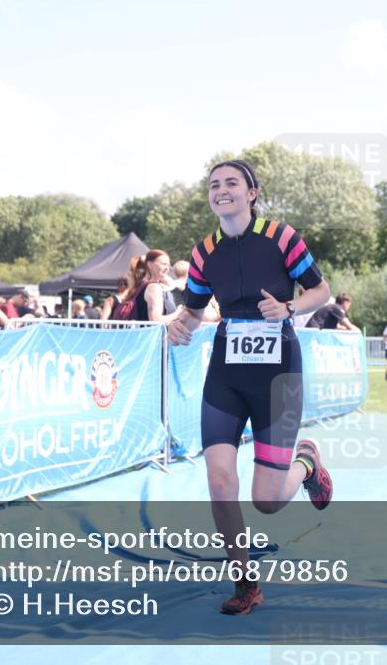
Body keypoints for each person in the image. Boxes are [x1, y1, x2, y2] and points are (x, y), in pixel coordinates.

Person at [166, 159, 333, 616]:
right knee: (220, 481)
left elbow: (323, 292)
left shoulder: (282, 237)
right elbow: (195, 311)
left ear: (252, 192)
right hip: (227, 372)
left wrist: (290, 307)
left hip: (280, 374)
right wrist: (179, 325)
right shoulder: (203, 253)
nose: (222, 190)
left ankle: (306, 462)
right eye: (214, 185)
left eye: (232, 183)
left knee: (266, 500)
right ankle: (246, 584)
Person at [131, 250, 179, 322]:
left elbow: (171, 284)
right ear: (150, 264)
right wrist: (178, 313)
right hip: (153, 333)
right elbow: (155, 320)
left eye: (168, 265)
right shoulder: (153, 288)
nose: (167, 268)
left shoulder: (142, 285)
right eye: (164, 264)